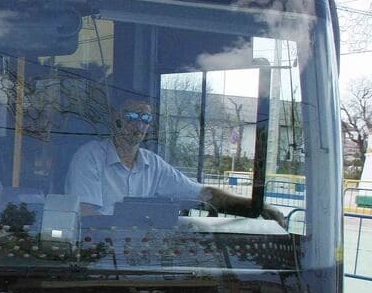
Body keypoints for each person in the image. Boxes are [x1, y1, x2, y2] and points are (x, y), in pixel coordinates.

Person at [65, 94, 286, 224]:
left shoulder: (153, 164)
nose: (139, 125)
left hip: (139, 249)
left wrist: (256, 207)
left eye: (145, 118)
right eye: (132, 116)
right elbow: (86, 215)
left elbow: (202, 194)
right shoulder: (90, 156)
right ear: (116, 119)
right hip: (97, 252)